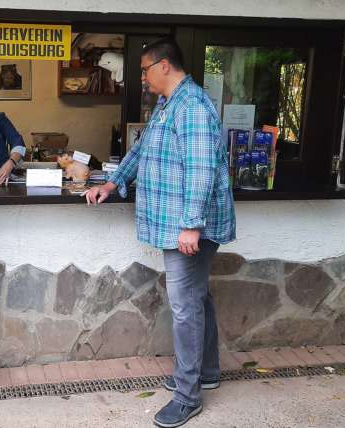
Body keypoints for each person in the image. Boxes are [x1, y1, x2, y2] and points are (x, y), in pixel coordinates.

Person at [85, 38, 236, 428]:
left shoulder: (194, 107)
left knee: (185, 306)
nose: (142, 77)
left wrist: (190, 225)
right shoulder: (169, 104)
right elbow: (141, 151)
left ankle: (188, 397)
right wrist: (113, 183)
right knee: (197, 299)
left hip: (187, 227)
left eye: (144, 70)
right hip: (178, 224)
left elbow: (202, 170)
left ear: (164, 66)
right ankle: (207, 372)